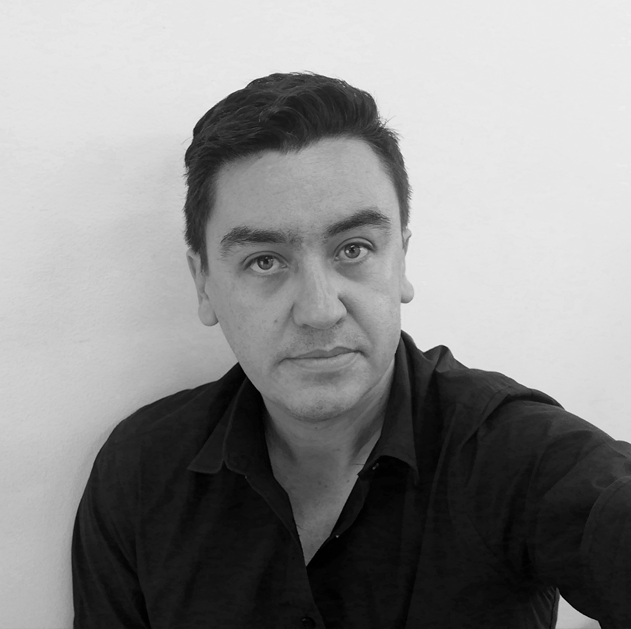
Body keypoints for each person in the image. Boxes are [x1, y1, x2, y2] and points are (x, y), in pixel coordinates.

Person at [71, 72, 631, 629]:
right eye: (264, 260)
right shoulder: (141, 473)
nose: (320, 310)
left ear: (400, 261)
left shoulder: (519, 455)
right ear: (204, 284)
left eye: (354, 248)